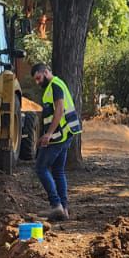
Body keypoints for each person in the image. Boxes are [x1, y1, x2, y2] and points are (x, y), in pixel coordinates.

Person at [31, 62, 82, 221]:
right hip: (66, 134)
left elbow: (59, 110)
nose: (38, 82)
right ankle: (64, 209)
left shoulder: (54, 85)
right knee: (58, 171)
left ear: (46, 72)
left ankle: (56, 205)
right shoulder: (56, 85)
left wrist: (49, 134)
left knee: (40, 168)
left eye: (39, 78)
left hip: (59, 135)